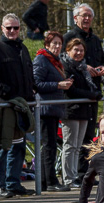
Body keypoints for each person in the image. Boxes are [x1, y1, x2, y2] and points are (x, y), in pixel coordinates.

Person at [0, 13, 36, 199]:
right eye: (9, 28)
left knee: (19, 146)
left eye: (16, 28)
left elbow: (29, 76)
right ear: (2, 28)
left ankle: (13, 183)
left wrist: (31, 94)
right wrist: (10, 96)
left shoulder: (22, 48)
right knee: (3, 146)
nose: (13, 31)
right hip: (6, 108)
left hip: (22, 108)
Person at [63, 3, 104, 186]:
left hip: (93, 93)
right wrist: (85, 67)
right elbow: (63, 62)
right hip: (76, 97)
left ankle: (86, 173)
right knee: (73, 142)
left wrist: (103, 68)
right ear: (75, 18)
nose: (87, 19)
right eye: (83, 15)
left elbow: (103, 61)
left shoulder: (96, 40)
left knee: (89, 137)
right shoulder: (69, 37)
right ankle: (72, 175)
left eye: (89, 15)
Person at [33, 31, 73, 192]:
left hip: (54, 107)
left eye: (59, 43)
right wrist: (58, 85)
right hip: (45, 108)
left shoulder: (55, 61)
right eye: (54, 43)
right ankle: (50, 181)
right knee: (48, 145)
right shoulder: (42, 59)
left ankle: (44, 180)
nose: (57, 47)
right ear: (47, 45)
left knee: (49, 145)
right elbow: (37, 83)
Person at [61, 37, 102, 188]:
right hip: (70, 110)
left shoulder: (84, 67)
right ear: (68, 50)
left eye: (81, 50)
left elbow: (87, 86)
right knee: (70, 145)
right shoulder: (65, 66)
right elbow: (71, 90)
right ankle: (68, 178)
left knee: (78, 146)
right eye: (75, 50)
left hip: (84, 110)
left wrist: (94, 92)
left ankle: (74, 176)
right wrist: (90, 94)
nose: (78, 53)